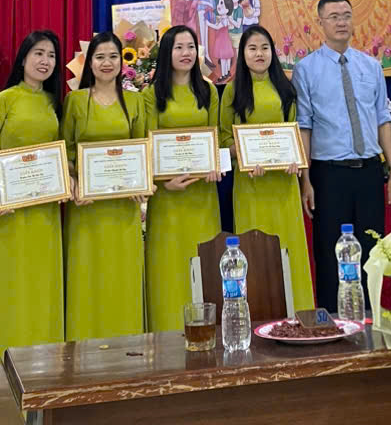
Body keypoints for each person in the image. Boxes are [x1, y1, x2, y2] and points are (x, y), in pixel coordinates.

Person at [293, 0, 391, 311]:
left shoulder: (371, 66)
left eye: (346, 15)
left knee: (372, 250)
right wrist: (305, 179)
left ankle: (372, 318)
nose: (341, 22)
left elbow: (383, 120)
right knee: (330, 253)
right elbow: (304, 127)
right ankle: (332, 323)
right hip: (328, 175)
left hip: (369, 172)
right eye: (334, 17)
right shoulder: (306, 69)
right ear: (320, 23)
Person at [0, 30, 65, 355]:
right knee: (12, 282)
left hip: (46, 211)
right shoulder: (6, 99)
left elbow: (62, 151)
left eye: (51, 55)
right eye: (39, 53)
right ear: (24, 58)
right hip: (11, 211)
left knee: (43, 282)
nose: (45, 61)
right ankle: (4, 353)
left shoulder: (54, 102)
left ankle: (47, 354)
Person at [219, 25, 315, 310]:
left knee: (289, 248)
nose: (259, 54)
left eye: (264, 48)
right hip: (251, 186)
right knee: (255, 250)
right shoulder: (233, 91)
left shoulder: (285, 88)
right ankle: (258, 314)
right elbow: (224, 139)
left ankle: (298, 312)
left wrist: (296, 161)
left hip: (284, 186)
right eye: (252, 48)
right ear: (242, 54)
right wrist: (245, 157)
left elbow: (294, 131)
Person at [62, 31, 145, 340]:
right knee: (87, 276)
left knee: (121, 276)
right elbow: (66, 151)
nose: (107, 63)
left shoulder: (135, 101)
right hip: (86, 208)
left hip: (123, 209)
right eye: (100, 57)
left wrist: (140, 182)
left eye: (113, 56)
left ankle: (128, 344)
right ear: (90, 63)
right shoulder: (74, 101)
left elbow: (143, 148)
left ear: (122, 62)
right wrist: (75, 182)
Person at [142, 25, 222, 332]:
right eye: (179, 47)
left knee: (202, 264)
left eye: (191, 47)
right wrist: (163, 183)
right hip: (167, 198)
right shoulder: (151, 95)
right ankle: (165, 332)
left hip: (203, 197)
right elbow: (148, 143)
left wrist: (215, 164)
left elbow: (215, 137)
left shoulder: (208, 91)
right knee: (168, 268)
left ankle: (206, 333)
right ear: (167, 53)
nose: (186, 53)